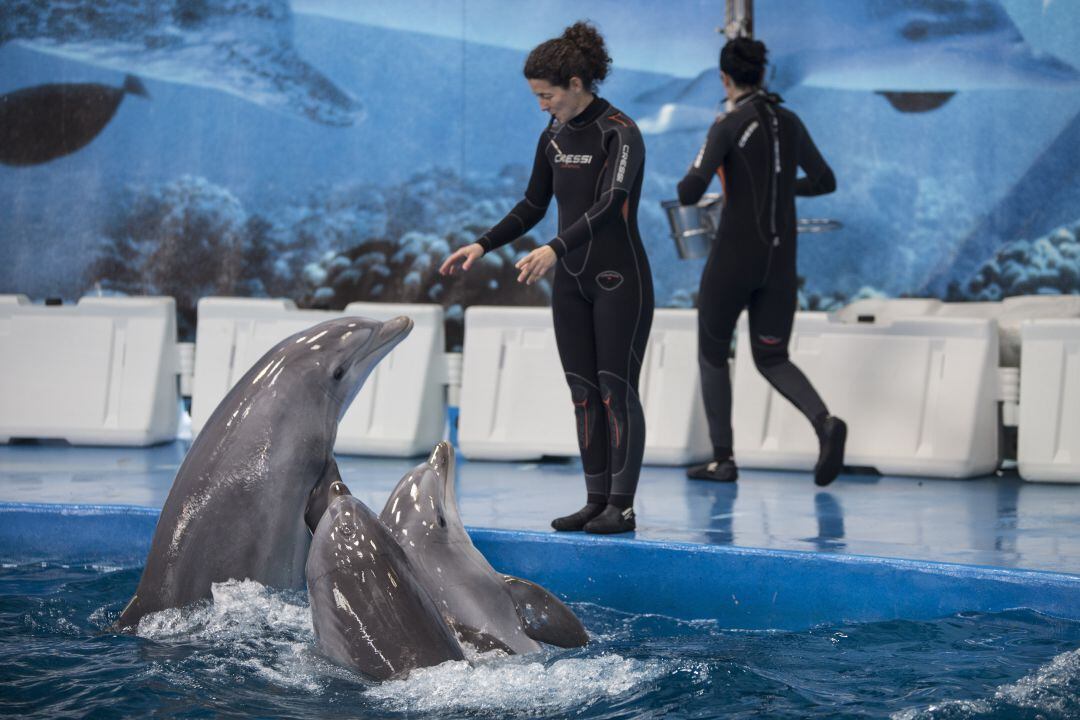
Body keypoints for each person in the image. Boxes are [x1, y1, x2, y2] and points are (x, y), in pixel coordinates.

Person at [440, 21, 654, 534]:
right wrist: (483, 243)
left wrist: (556, 248)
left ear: (576, 84)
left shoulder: (619, 132)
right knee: (583, 392)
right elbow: (534, 203)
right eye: (536, 96)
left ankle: (622, 506)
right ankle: (596, 499)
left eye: (547, 95)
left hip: (618, 278)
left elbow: (611, 204)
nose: (541, 105)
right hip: (572, 283)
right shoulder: (554, 135)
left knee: (615, 390)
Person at [677, 37, 846, 486]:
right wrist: (781, 188)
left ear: (724, 78)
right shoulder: (789, 120)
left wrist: (712, 154)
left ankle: (723, 460)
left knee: (713, 354)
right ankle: (825, 422)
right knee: (772, 357)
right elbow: (825, 181)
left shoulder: (728, 124)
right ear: (763, 74)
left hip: (733, 259)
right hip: (780, 262)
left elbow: (688, 192)